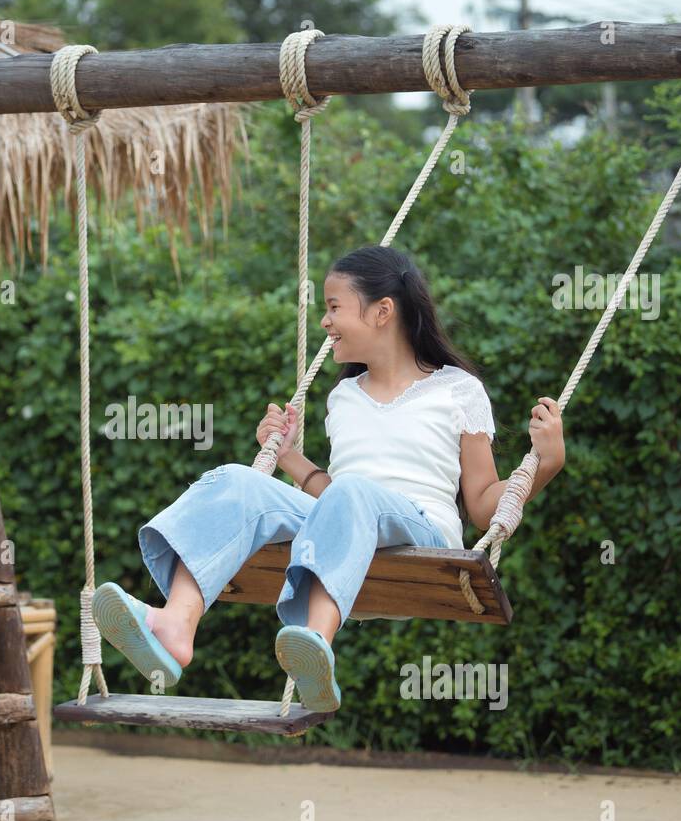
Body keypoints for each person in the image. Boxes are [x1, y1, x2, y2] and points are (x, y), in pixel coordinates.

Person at [91, 245, 566, 712]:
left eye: (334, 307)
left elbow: (483, 505)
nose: (325, 321)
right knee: (237, 481)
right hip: (346, 537)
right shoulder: (343, 397)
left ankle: (316, 644)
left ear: (382, 312)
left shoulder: (458, 390)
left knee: (353, 491)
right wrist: (293, 459)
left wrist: (543, 464)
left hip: (424, 537)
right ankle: (176, 625)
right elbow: (334, 504)